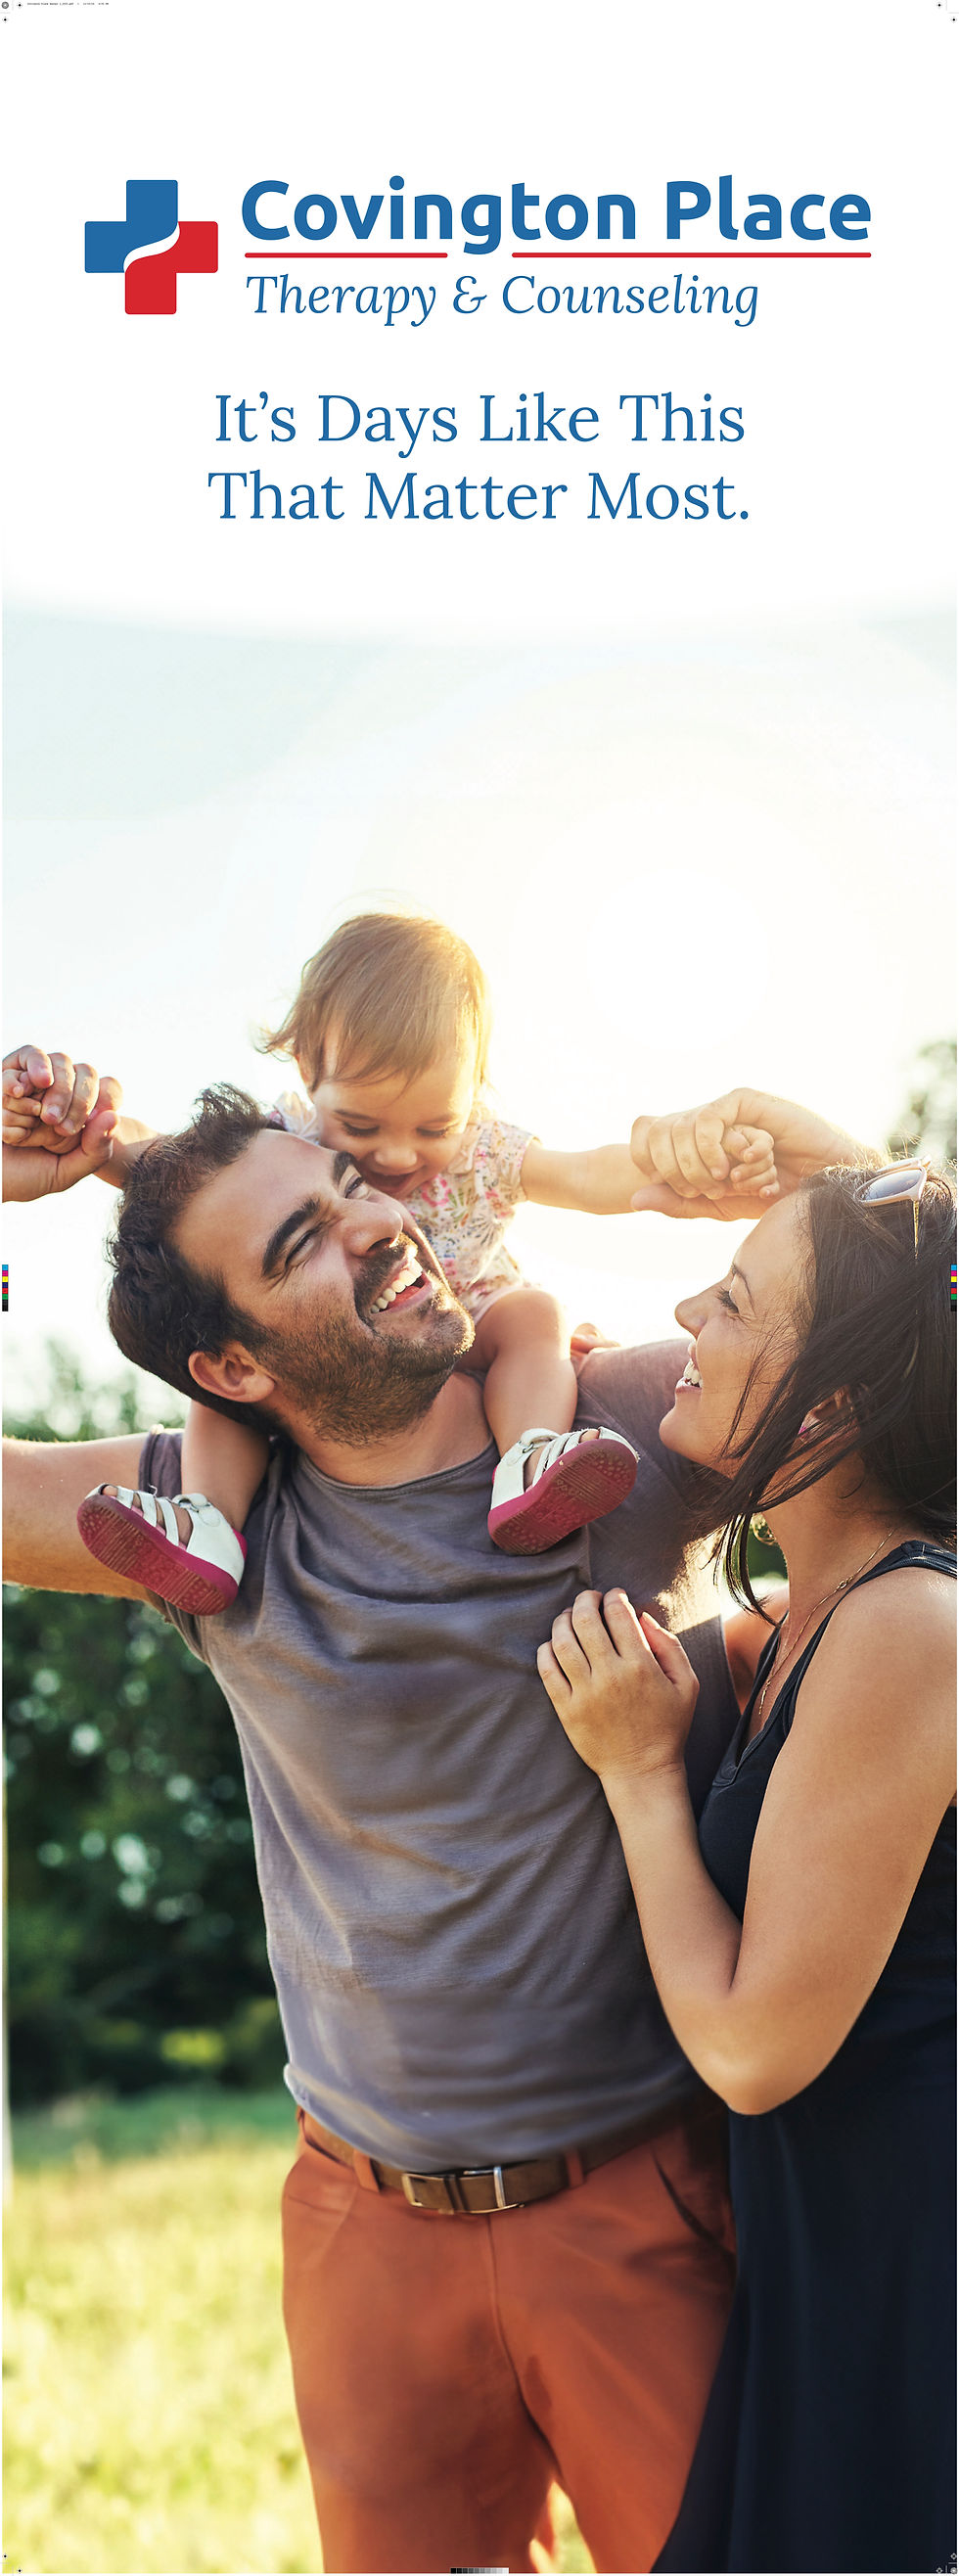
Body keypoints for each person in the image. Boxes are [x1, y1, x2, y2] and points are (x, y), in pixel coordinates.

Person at [2, 1067, 861, 2575]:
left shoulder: (618, 1431)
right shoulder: (199, 1535)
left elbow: (922, 1366)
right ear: (235, 1368)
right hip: (362, 2234)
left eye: (354, 1194)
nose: (379, 1229)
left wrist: (849, 1167)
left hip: (640, 2204)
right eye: (302, 1246)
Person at [537, 1158, 956, 2574]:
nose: (683, 1315)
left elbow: (755, 2048)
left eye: (729, 1299)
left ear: (831, 1401)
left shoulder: (909, 1630)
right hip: (831, 2267)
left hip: (910, 2288)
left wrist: (646, 1776)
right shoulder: (803, 1630)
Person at [4, 916, 774, 1602]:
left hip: (477, 1307)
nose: (399, 1157)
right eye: (362, 1128)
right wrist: (79, 1133)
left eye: (434, 1125)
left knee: (536, 1314)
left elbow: (584, 1174)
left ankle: (532, 1456)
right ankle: (207, 1525)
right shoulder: (282, 1146)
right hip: (284, 1406)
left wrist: (684, 1165)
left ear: (475, 1091)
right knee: (223, 1395)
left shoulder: (634, 1395)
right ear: (308, 1071)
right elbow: (153, 1159)